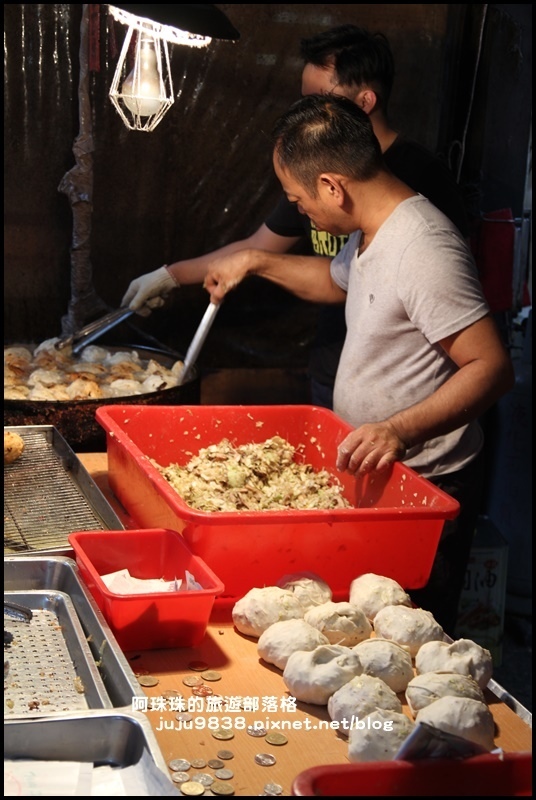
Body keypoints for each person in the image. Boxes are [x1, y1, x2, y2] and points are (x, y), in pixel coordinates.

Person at [200, 94, 514, 637]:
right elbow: (335, 281)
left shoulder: (424, 247)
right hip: (376, 473)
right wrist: (256, 261)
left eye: (298, 200)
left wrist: (398, 429)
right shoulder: (371, 230)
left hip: (426, 488)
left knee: (406, 637)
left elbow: (491, 366)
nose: (301, 211)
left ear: (332, 186)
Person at [121, 25, 469, 409]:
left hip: (406, 395)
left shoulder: (416, 199)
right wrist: (172, 275)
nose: (306, 113)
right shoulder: (316, 173)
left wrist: (398, 430)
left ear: (334, 188)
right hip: (338, 368)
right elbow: (327, 274)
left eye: (319, 100)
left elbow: (472, 339)